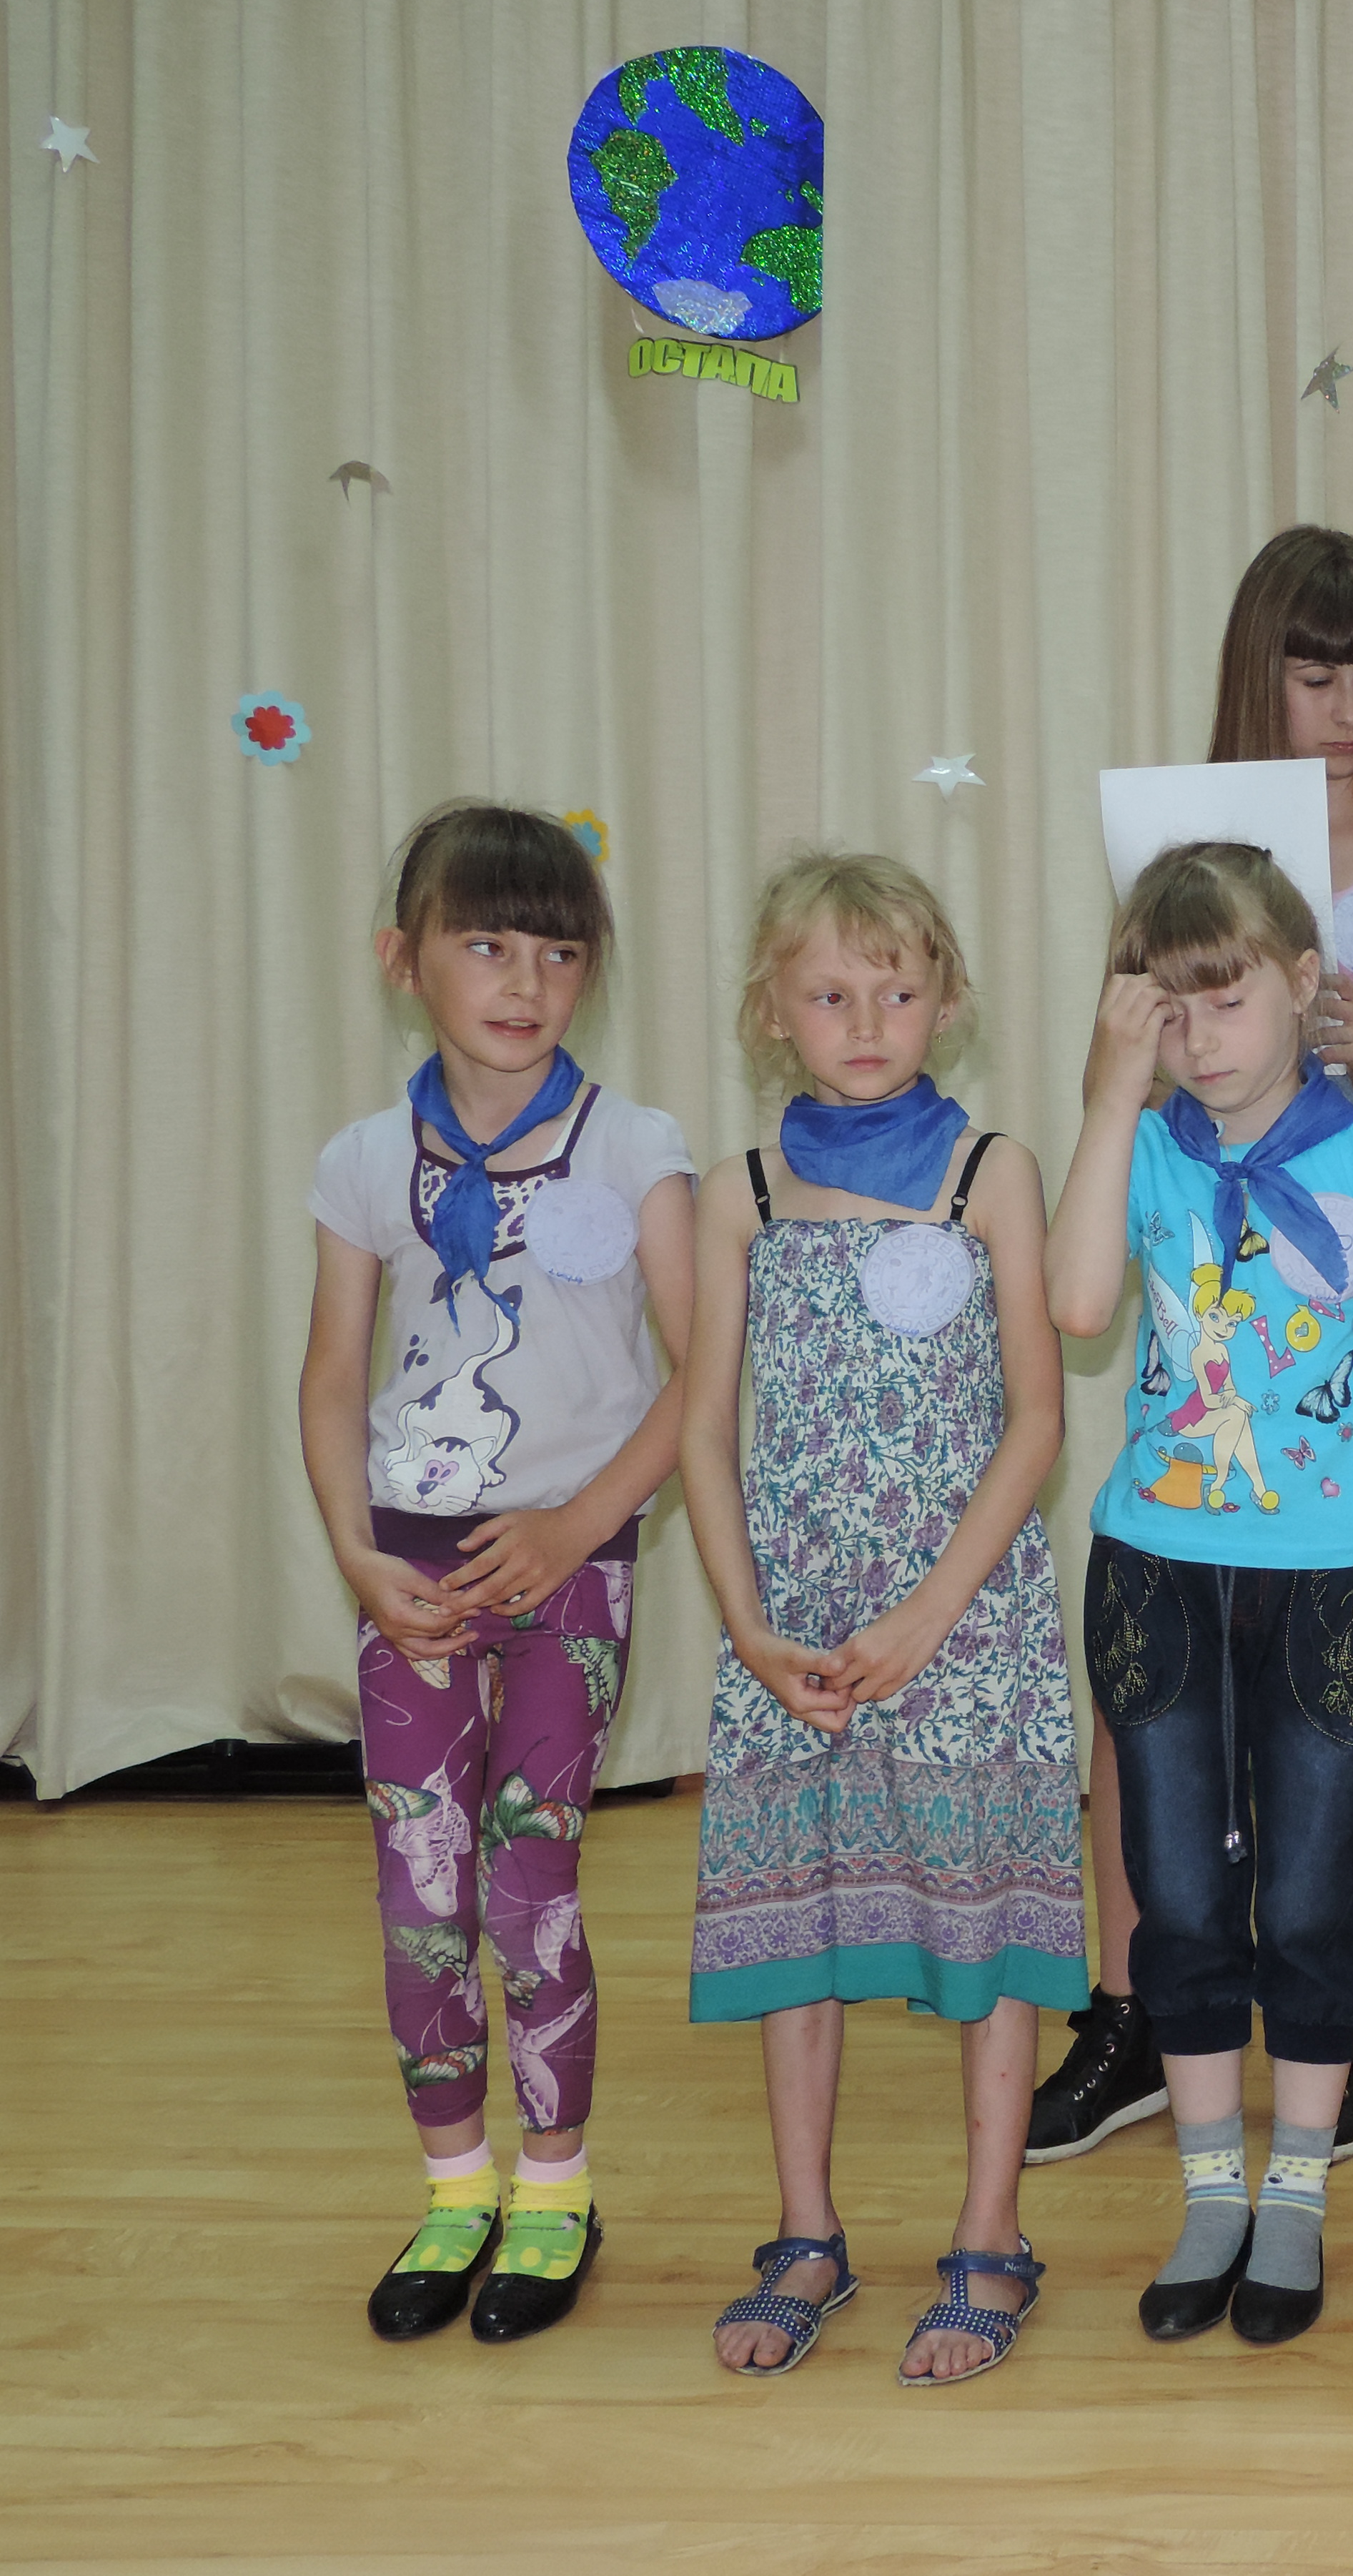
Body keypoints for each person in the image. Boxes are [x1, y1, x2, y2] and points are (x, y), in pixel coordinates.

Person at [1033, 525, 1353, 2168]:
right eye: (1318, 674)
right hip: (1192, 1361)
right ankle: (1138, 2013)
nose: (1351, 705)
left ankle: (1322, 2028)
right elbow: (1122, 1124)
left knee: (1337, 1745)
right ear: (1263, 672)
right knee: (1153, 1738)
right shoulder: (1188, 846)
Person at [1049, 840, 1353, 2349]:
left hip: (1336, 1584)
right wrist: (1109, 1100)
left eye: (1225, 998)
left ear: (1303, 984)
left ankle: (1296, 2191)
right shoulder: (1147, 1151)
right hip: (1158, 1571)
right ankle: (1209, 2188)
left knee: (1309, 1895)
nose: (1200, 1036)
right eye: (1167, 1009)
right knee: (1177, 1890)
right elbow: (1079, 1306)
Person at [679, 854, 1086, 2385]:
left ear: (947, 1001)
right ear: (771, 1012)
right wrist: (748, 1625)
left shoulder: (992, 1174)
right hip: (795, 1636)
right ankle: (806, 2234)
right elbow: (704, 1429)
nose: (866, 1023)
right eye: (830, 994)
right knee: (803, 1934)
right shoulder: (741, 1193)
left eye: (897, 991)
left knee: (986, 1932)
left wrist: (930, 1612)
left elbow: (1036, 1419)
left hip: (965, 1631)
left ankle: (992, 2236)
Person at [298, 801, 696, 2344]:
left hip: (569, 1571)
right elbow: (334, 1377)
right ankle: (454, 2186)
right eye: (485, 945)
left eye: (559, 952)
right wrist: (356, 1552)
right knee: (419, 1892)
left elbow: (699, 1375)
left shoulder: (636, 1147)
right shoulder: (362, 1161)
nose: (525, 981)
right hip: (411, 1575)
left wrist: (578, 1525)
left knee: (528, 1882)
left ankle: (555, 2191)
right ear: (404, 961)